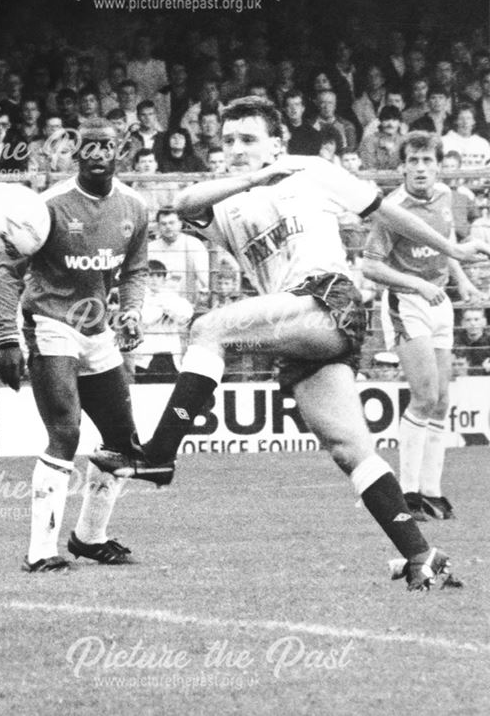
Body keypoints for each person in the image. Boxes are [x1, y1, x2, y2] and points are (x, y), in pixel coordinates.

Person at [93, 97, 490, 590]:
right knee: (350, 449)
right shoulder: (227, 200)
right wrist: (250, 178)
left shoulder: (311, 169)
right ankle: (422, 554)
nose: (236, 149)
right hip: (297, 329)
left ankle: (158, 454)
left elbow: (385, 213)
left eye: (248, 140)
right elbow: (184, 205)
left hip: (328, 300)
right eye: (229, 141)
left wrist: (452, 249)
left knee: (208, 328)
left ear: (278, 143)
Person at [0, 118, 150, 572]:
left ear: (121, 151)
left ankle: (89, 538)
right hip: (50, 323)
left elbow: (136, 270)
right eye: (90, 147)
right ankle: (40, 552)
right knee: (65, 431)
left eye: (107, 146)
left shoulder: (135, 208)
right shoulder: (48, 206)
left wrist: (133, 311)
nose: (99, 154)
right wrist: (7, 338)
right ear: (75, 153)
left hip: (97, 330)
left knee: (123, 443)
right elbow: (7, 271)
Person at [362, 132, 480, 523]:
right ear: (401, 167)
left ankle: (432, 492)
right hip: (407, 301)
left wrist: (460, 278)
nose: (420, 168)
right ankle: (407, 493)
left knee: (442, 400)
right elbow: (371, 266)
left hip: (439, 300)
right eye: (412, 161)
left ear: (439, 164)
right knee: (424, 395)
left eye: (427, 160)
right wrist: (417, 284)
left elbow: (444, 241)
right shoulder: (392, 208)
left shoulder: (447, 197)